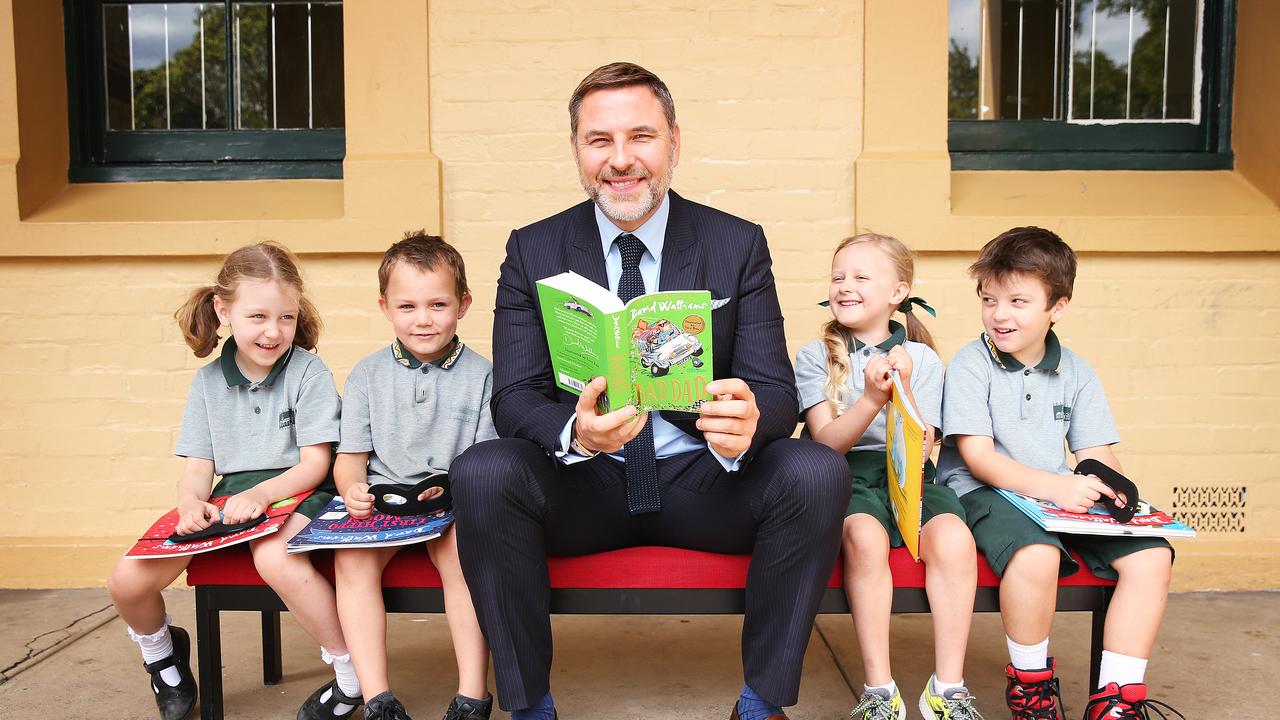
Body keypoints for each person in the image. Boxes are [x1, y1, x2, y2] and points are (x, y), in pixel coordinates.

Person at [450, 62, 849, 720]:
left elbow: (775, 389)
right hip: (586, 484)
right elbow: (515, 396)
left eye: (641, 136)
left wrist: (749, 419)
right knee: (483, 470)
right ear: (576, 151)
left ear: (674, 144)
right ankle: (528, 709)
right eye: (599, 140)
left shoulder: (735, 243)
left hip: (707, 480)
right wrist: (576, 434)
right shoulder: (534, 248)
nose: (621, 159)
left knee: (813, 470)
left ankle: (761, 705)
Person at [106, 242, 360, 720]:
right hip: (230, 500)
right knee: (125, 580)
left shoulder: (308, 371)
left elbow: (316, 463)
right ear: (223, 310)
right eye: (258, 316)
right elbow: (200, 466)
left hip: (298, 492)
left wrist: (263, 494)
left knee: (276, 558)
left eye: (286, 317)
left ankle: (351, 674)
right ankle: (162, 655)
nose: (274, 331)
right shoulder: (206, 383)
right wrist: (189, 504)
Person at [936, 227, 1180, 720]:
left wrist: (1122, 498)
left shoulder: (1077, 371)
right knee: (1036, 555)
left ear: (1058, 307)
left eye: (1018, 301)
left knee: (1153, 555)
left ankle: (1116, 697)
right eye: (990, 299)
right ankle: (1032, 684)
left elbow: (1095, 453)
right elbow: (979, 458)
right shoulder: (970, 365)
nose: (1000, 314)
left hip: (1056, 492)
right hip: (987, 491)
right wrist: (1056, 487)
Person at [795, 234, 983, 720]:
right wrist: (870, 400)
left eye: (861, 277)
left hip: (912, 471)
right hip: (846, 473)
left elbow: (928, 439)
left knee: (956, 540)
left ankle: (949, 689)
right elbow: (826, 443)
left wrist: (903, 388)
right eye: (838, 276)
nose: (845, 286)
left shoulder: (922, 359)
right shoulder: (818, 357)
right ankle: (880, 692)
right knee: (863, 537)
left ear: (898, 291)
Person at [332, 232, 496, 720]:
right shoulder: (366, 376)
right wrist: (352, 490)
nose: (422, 319)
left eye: (437, 304)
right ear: (385, 308)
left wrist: (456, 497)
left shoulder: (486, 375)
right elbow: (350, 457)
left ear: (463, 304)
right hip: (384, 500)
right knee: (352, 563)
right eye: (407, 306)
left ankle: (472, 694)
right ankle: (376, 696)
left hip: (452, 499)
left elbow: (487, 456)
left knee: (463, 560)